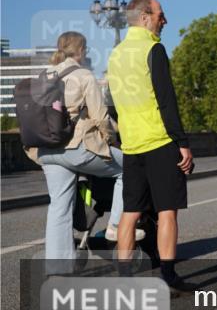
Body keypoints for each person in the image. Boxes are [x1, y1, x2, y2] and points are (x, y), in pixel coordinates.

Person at [27, 32, 144, 274]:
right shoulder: (83, 75)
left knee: (59, 207)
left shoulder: (44, 75)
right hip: (76, 148)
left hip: (47, 151)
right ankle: (115, 226)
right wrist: (113, 142)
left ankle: (58, 269)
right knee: (131, 169)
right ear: (81, 50)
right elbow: (101, 117)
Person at [108, 0, 194, 292]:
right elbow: (166, 100)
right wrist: (182, 142)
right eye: (160, 15)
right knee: (167, 210)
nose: (164, 20)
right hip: (159, 140)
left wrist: (125, 136)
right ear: (145, 17)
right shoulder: (153, 49)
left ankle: (124, 279)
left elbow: (113, 104)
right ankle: (168, 277)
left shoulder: (116, 54)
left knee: (130, 213)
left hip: (132, 145)